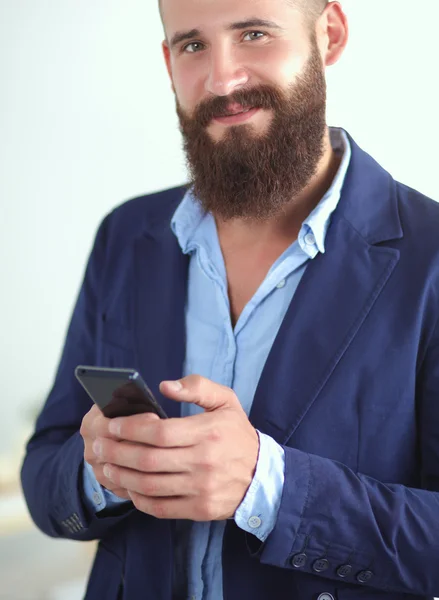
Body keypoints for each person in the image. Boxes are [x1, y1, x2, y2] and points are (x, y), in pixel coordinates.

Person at [20, 0, 439, 598]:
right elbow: (43, 480)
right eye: (193, 45)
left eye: (254, 34)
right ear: (168, 62)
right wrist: (102, 470)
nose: (223, 79)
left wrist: (268, 486)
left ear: (330, 34)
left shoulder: (430, 258)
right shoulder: (126, 235)